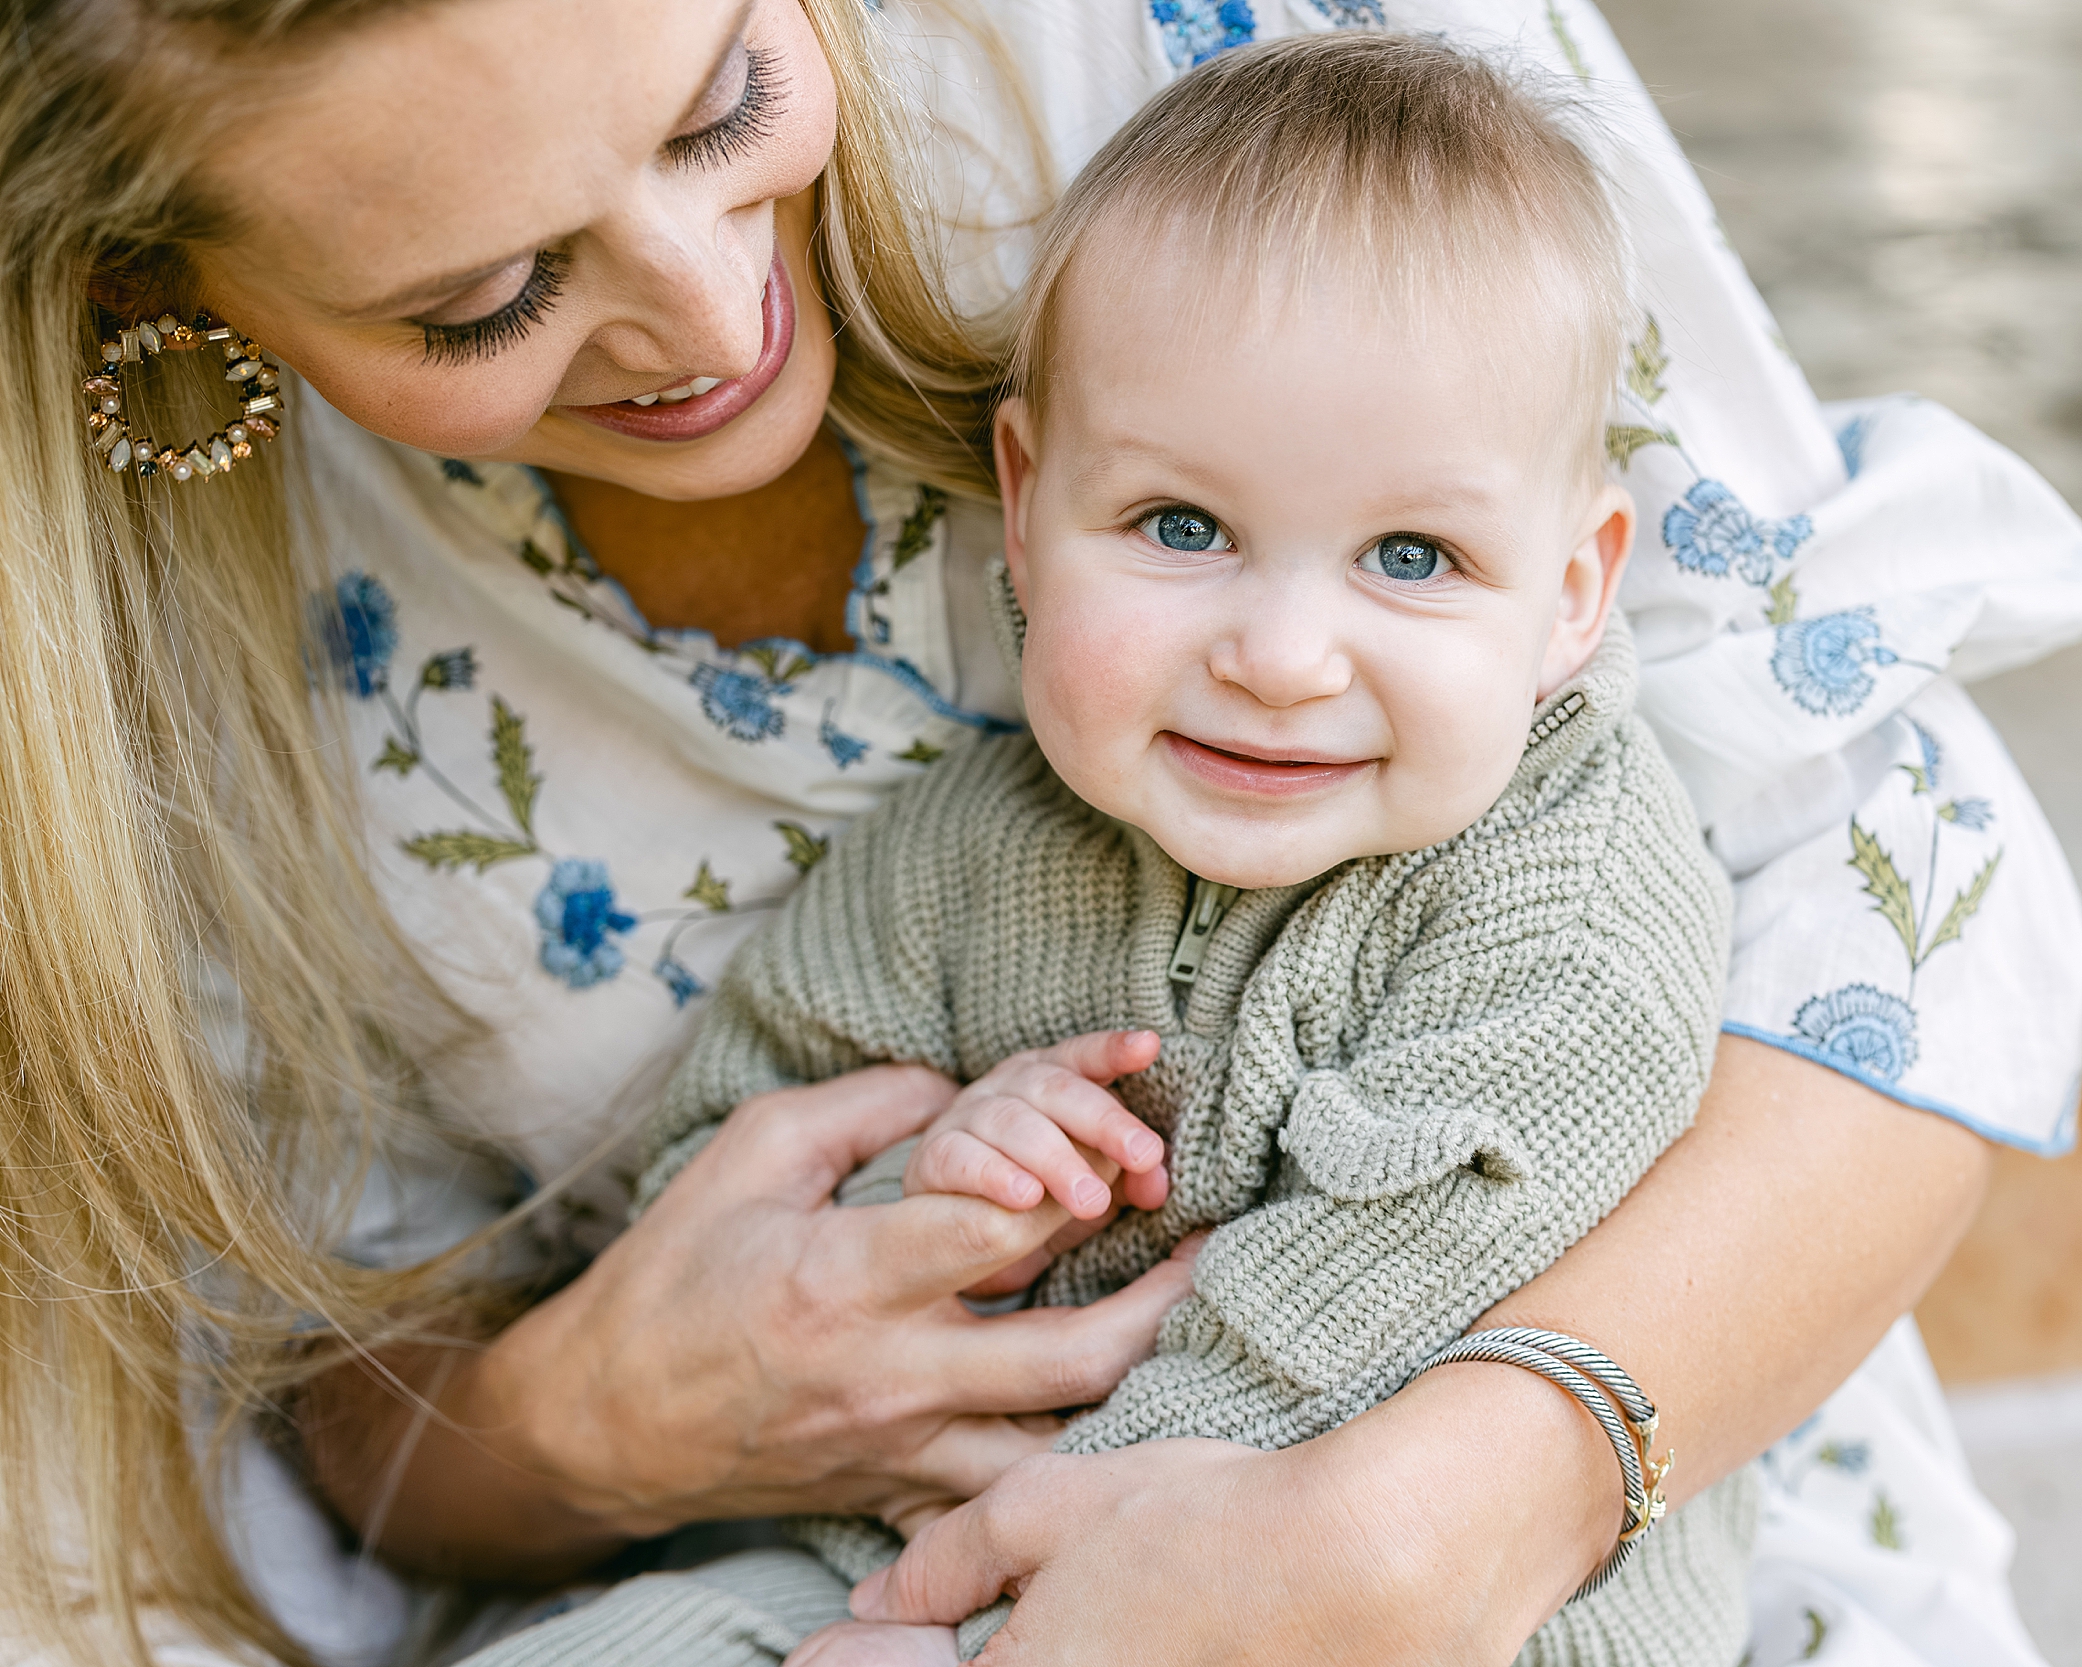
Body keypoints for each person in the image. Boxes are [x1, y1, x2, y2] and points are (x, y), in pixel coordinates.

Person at [0, 2, 2082, 1666]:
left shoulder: (1262, 113)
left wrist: (1431, 1515)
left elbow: (1875, 892)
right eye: (481, 296)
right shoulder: (962, 844)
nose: (708, 306)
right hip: (811, 1569)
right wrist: (652, 1376)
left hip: (1469, 1557)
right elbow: (317, 1374)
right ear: (148, 298)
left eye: (721, 99)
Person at [571, 35, 1744, 1666]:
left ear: (1569, 594)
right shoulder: (970, 846)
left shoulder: (1575, 902)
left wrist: (976, 1616)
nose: (1280, 655)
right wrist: (943, 1179)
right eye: (1182, 528)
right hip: (893, 1562)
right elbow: (725, 1167)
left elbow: (1364, 1313)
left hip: (1399, 1596)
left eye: (1411, 556)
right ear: (1033, 502)